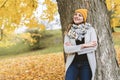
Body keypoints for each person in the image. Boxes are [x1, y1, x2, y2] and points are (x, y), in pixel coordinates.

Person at [64, 9, 97, 80]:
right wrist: (84, 45)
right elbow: (67, 49)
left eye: (80, 15)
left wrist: (74, 48)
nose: (77, 16)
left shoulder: (90, 30)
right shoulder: (69, 31)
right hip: (72, 63)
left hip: (86, 64)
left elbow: (93, 47)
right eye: (75, 14)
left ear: (84, 18)